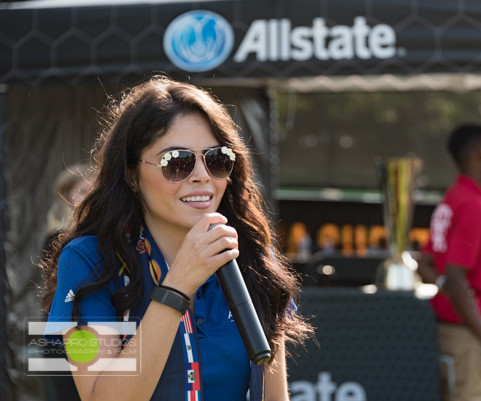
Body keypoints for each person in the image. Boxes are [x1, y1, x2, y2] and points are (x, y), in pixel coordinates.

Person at [40, 75, 312, 401]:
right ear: (131, 173)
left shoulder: (249, 254)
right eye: (177, 162)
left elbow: (273, 396)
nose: (201, 175)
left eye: (217, 159)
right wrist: (177, 285)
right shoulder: (85, 260)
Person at [417, 124, 481, 401]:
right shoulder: (472, 205)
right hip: (470, 337)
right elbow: (455, 276)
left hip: (456, 330)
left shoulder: (454, 197)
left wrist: (447, 289)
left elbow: (425, 264)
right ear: (476, 155)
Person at [42, 163, 93, 401]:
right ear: (66, 197)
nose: (90, 197)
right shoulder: (57, 239)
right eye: (83, 191)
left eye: (95, 191)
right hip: (66, 334)